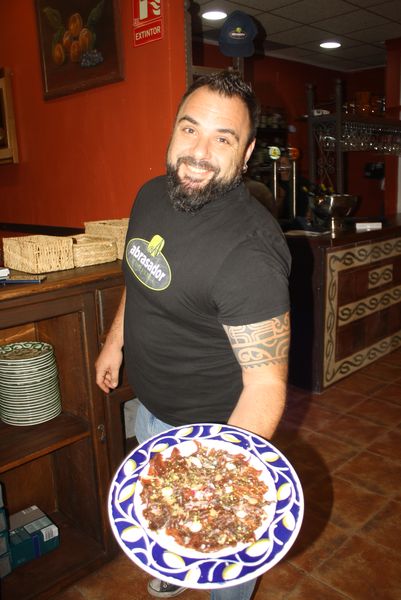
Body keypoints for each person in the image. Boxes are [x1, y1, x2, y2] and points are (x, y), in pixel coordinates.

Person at [96, 70, 291, 600]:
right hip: (151, 406)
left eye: (222, 139)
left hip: (215, 431)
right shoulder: (150, 196)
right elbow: (141, 275)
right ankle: (174, 564)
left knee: (221, 544)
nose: (199, 153)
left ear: (246, 153)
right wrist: (115, 342)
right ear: (174, 130)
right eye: (190, 129)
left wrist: (219, 478)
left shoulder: (250, 255)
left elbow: (266, 385)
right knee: (167, 516)